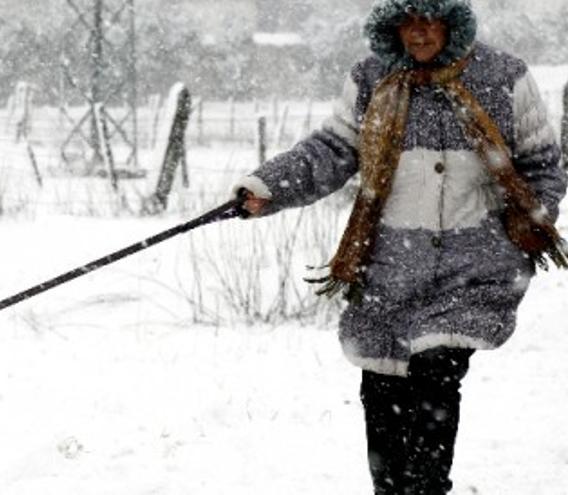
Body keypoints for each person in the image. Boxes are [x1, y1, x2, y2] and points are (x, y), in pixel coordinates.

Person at [231, 1, 567, 493]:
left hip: (475, 270)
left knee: (437, 371)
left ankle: (428, 487)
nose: (419, 32)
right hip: (387, 268)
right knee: (382, 390)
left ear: (452, 24)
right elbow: (332, 149)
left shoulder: (504, 77)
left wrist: (528, 219)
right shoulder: (372, 80)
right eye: (408, 21)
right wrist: (269, 186)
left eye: (430, 20)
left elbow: (542, 164)